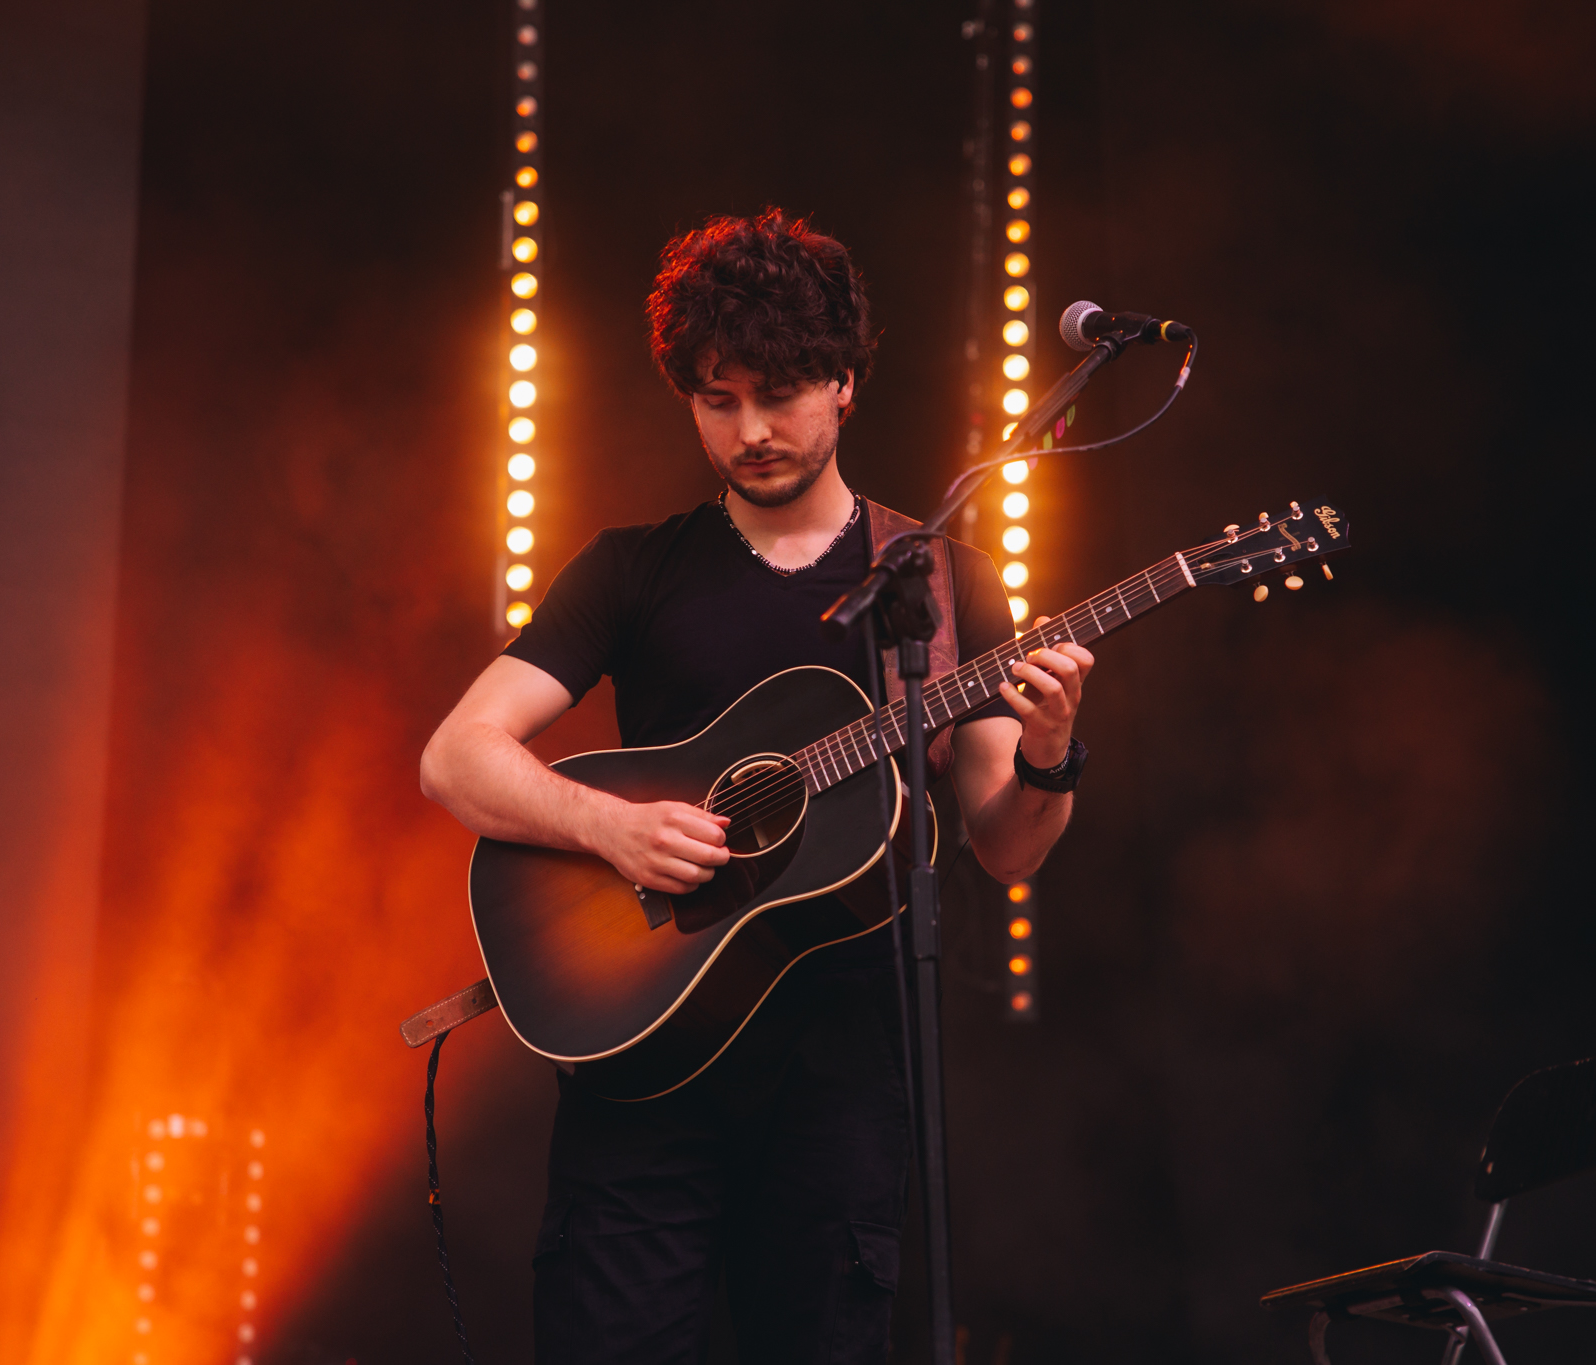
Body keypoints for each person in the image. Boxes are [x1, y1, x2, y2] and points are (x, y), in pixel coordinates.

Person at [420, 208, 1094, 1364]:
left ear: (843, 383)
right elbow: (456, 756)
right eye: (716, 400)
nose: (750, 432)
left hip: (840, 1080)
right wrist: (609, 828)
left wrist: (1050, 753)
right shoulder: (631, 568)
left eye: (778, 396)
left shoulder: (939, 583)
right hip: (639, 1067)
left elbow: (1007, 845)